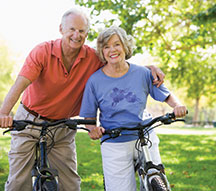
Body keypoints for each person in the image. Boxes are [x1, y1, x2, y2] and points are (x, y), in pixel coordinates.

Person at [0, 8, 165, 191]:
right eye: (71, 29)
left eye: (81, 31)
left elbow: (120, 64)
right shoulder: (42, 52)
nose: (76, 35)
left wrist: (148, 69)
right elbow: (19, 85)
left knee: (70, 184)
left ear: (87, 34)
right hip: (29, 121)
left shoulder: (93, 58)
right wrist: (4, 113)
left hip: (62, 126)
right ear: (61, 29)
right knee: (18, 182)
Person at [79, 26, 187, 191]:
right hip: (114, 140)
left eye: (117, 44)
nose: (112, 50)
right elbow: (88, 117)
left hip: (145, 135)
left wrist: (178, 106)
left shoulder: (143, 73)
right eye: (106, 47)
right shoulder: (95, 81)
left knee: (158, 182)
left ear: (125, 47)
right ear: (101, 52)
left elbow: (166, 95)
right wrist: (92, 129)